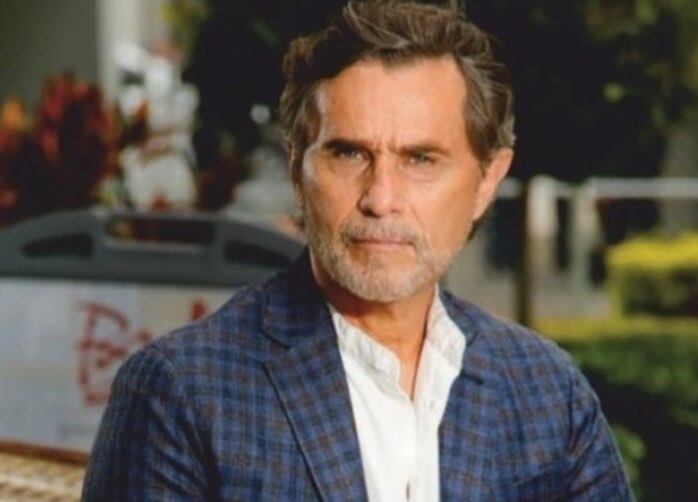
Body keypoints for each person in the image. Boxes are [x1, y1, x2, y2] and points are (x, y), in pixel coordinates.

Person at [82, 1, 633, 500]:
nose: (381, 198)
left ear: (487, 181)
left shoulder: (547, 390)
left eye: (421, 159)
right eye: (348, 154)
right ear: (298, 169)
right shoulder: (182, 392)